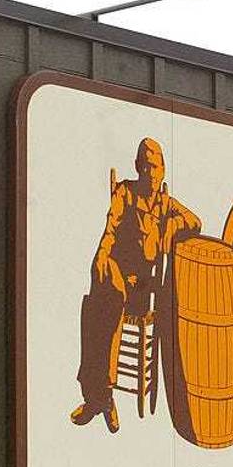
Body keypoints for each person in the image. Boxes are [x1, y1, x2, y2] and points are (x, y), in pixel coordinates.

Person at [70, 137, 201, 433]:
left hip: (142, 289)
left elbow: (195, 221)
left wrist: (173, 226)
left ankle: (99, 398)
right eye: (147, 166)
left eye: (157, 167)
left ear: (163, 171)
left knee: (102, 305)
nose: (152, 174)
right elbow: (110, 229)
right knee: (97, 303)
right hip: (117, 272)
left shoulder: (166, 204)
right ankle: (100, 397)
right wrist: (101, 256)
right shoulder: (126, 193)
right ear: (139, 168)